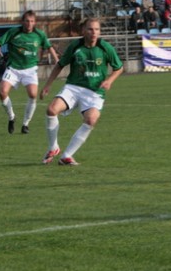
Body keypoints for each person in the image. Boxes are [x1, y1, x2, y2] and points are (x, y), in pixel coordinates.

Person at [40, 18, 124, 166]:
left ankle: (66, 156)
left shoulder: (105, 48)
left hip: (94, 92)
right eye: (90, 29)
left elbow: (119, 67)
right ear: (83, 31)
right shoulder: (75, 46)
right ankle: (53, 147)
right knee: (51, 110)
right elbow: (60, 65)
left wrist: (109, 81)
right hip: (73, 87)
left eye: (97, 29)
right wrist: (48, 85)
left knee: (91, 119)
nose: (94, 32)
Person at [0, 10, 59, 134]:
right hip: (13, 68)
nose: (29, 24)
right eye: (27, 21)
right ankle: (12, 117)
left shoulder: (39, 34)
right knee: (2, 92)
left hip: (30, 69)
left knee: (33, 94)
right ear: (23, 22)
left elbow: (49, 46)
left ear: (35, 22)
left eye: (32, 21)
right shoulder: (14, 32)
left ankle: (25, 124)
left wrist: (57, 60)